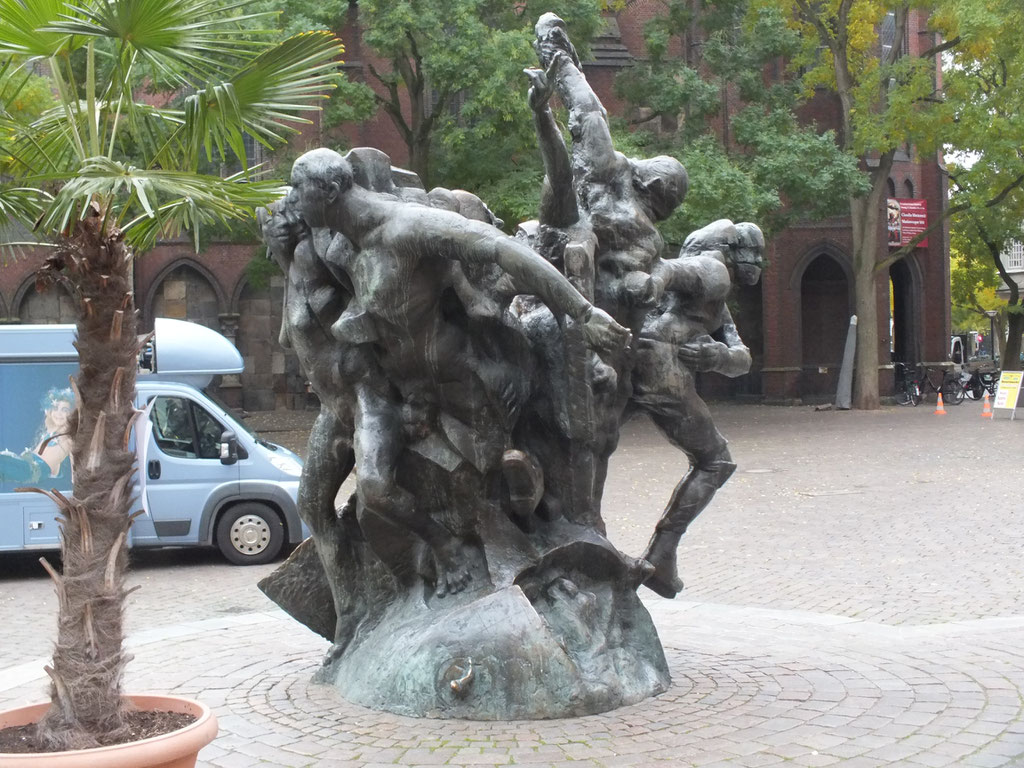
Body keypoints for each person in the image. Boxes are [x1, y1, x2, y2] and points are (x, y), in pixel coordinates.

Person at [284, 147, 630, 598]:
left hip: (458, 382)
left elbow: (503, 250)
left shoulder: (406, 227)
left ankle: (546, 567)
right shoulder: (336, 242)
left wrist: (584, 313)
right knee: (375, 487)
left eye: (298, 187)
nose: (291, 197)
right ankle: (442, 548)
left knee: (501, 489)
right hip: (394, 389)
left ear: (329, 192)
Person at [631, 219, 764, 598]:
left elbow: (742, 357)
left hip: (629, 361)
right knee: (716, 460)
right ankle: (662, 550)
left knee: (592, 448)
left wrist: (716, 354)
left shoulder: (715, 298)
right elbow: (671, 272)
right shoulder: (715, 271)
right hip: (660, 372)